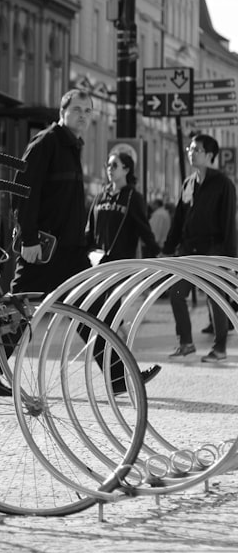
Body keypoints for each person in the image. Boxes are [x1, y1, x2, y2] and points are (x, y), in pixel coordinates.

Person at [0, 89, 158, 396]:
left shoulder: (72, 147)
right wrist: (29, 240)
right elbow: (22, 193)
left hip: (70, 251)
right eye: (78, 109)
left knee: (95, 309)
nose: (83, 115)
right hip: (44, 251)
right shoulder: (46, 143)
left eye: (88, 110)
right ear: (63, 111)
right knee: (17, 309)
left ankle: (116, 377)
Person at [83, 151, 162, 389]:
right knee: (107, 320)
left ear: (127, 169)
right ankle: (123, 376)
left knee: (112, 319)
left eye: (114, 165)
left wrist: (157, 255)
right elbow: (89, 230)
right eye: (108, 164)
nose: (109, 168)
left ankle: (125, 375)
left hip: (119, 268)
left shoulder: (132, 197)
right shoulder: (100, 196)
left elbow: (143, 230)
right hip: (97, 266)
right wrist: (85, 252)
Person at [162, 133, 237, 363]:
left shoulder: (223, 183)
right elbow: (179, 219)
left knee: (216, 297)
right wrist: (168, 248)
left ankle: (220, 348)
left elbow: (229, 222)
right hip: (188, 249)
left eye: (197, 150)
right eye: (190, 149)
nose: (191, 153)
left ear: (210, 155)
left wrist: (230, 259)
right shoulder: (188, 182)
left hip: (213, 248)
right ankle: (186, 343)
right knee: (176, 294)